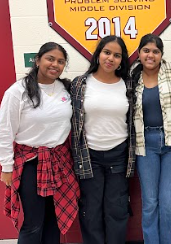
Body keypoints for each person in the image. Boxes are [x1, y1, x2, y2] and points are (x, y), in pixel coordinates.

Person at [0, 42, 80, 244]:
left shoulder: (66, 88)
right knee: (33, 223)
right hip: (30, 163)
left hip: (60, 162)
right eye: (50, 59)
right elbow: (5, 130)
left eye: (61, 61)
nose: (55, 65)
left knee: (54, 220)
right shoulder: (18, 92)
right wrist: (6, 166)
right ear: (38, 60)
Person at [70, 35, 135, 244]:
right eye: (107, 52)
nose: (111, 58)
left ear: (122, 60)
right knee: (91, 210)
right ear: (98, 54)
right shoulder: (80, 84)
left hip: (119, 155)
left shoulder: (128, 84)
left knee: (116, 210)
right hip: (89, 157)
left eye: (117, 55)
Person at [131, 34, 171, 244]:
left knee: (169, 202)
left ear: (161, 55)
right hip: (146, 145)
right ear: (139, 53)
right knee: (150, 202)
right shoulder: (131, 79)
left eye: (155, 51)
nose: (150, 55)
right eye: (146, 50)